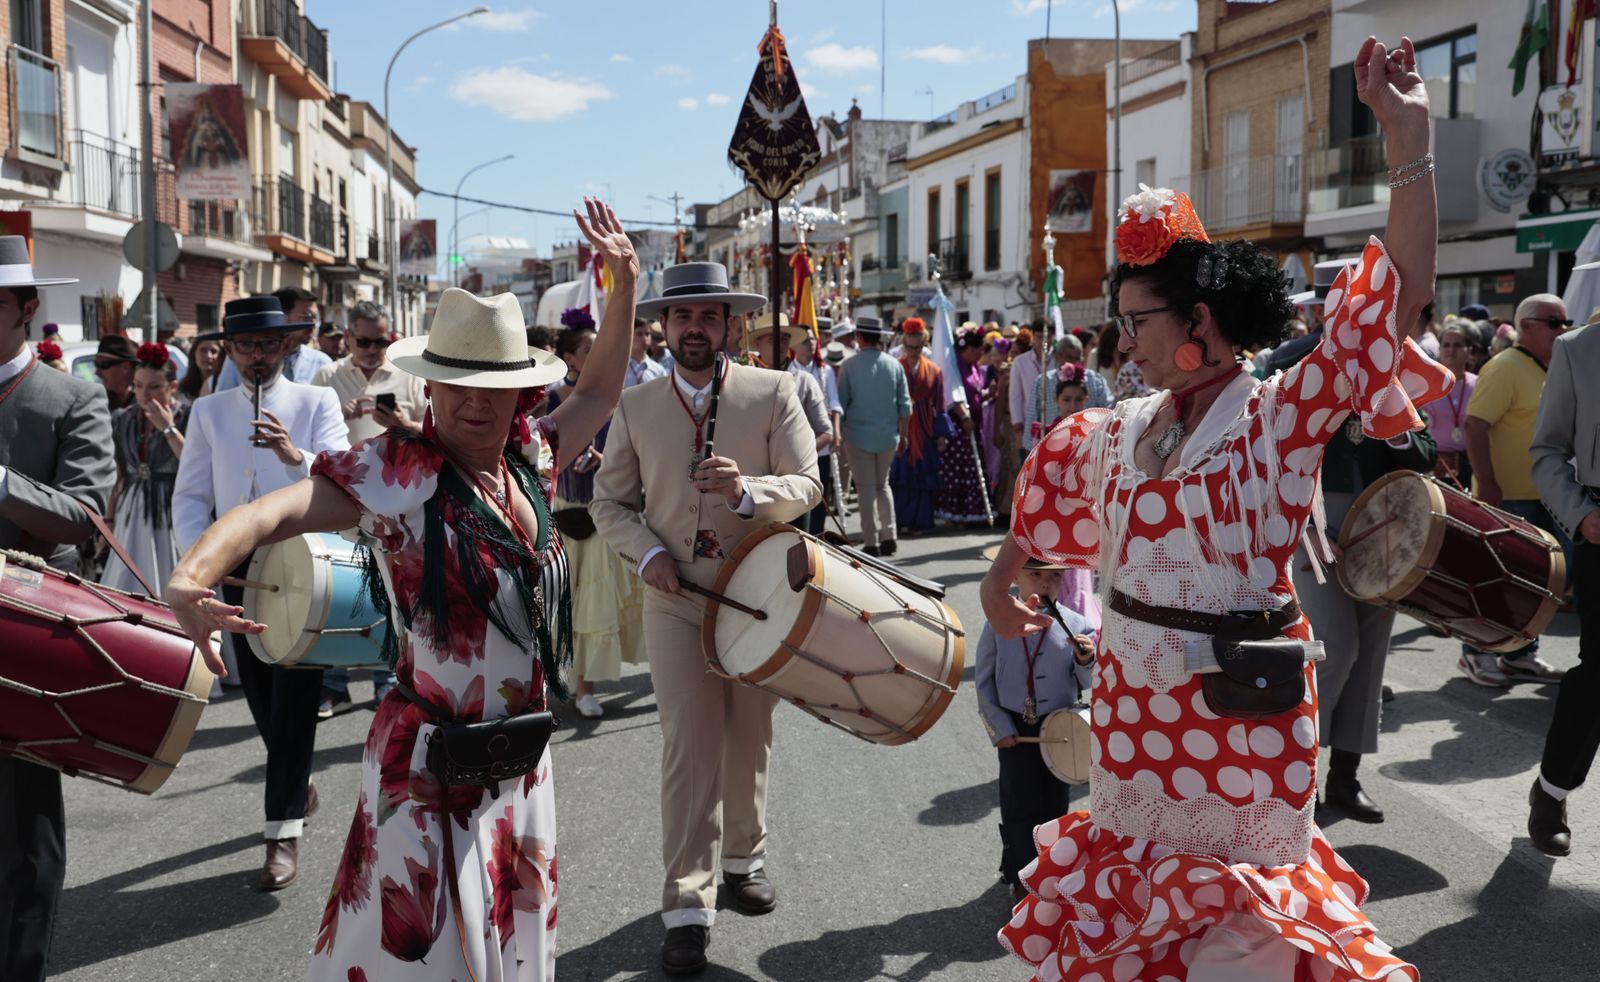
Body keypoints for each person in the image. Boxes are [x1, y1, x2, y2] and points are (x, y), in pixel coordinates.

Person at [980, 36, 1440, 981]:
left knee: (1239, 942)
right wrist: (999, 578)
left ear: (1198, 322)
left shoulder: (1276, 418)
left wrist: (1409, 143)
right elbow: (1047, 503)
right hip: (1131, 715)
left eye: (1138, 322)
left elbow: (1391, 310)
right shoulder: (1117, 427)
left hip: (1239, 716)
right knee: (1138, 929)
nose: (1123, 345)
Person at [166, 198, 636, 980]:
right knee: (416, 956)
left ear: (522, 392)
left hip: (518, 763)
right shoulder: (397, 471)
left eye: (492, 385)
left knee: (506, 948)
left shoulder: (532, 459)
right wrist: (190, 577)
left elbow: (599, 395)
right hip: (427, 765)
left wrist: (623, 286)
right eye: (454, 383)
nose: (472, 402)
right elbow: (266, 513)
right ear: (429, 385)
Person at [590, 260, 820, 976]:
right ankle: (687, 903)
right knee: (690, 746)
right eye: (682, 316)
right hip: (674, 599)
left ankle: (745, 859)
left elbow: (809, 484)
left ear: (731, 324)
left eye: (708, 316)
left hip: (759, 596)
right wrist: (646, 552)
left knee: (750, 732)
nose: (694, 328)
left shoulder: (773, 391)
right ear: (662, 326)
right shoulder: (635, 406)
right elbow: (609, 505)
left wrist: (750, 491)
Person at [171, 295, 351, 891]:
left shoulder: (315, 399)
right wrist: (199, 561)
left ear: (287, 346)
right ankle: (295, 787)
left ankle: (282, 835)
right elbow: (191, 494)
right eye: (244, 346)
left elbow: (345, 470)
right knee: (259, 692)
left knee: (296, 697)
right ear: (229, 349)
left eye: (266, 345)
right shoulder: (209, 410)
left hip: (303, 558)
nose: (255, 356)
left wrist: (294, 455)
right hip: (235, 565)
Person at [0, 237, 114, 982]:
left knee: (21, 832)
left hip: (22, 639)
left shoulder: (72, 394)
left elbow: (85, 514)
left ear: (27, 309)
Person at [1286, 344, 1438, 823]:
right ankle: (1298, 778)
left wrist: (1398, 425)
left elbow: (1425, 454)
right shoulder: (1306, 373)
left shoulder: (1398, 382)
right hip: (1317, 527)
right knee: (1333, 647)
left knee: (1370, 654)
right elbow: (1280, 459)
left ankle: (1345, 779)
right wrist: (1304, 525)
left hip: (1385, 529)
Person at [310, 300, 425, 715]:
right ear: (348, 338)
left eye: (381, 340)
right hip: (339, 492)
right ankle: (334, 682)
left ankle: (386, 678)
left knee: (389, 588)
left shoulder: (409, 375)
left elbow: (428, 433)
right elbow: (314, 436)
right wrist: (337, 415)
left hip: (394, 495)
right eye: (365, 341)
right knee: (334, 588)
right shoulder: (327, 377)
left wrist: (402, 425)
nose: (374, 349)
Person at [1458, 292, 1572, 687]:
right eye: (1555, 323)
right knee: (1498, 579)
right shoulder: (1505, 366)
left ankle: (1521, 655)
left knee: (1538, 584)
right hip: (1508, 497)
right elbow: (1475, 425)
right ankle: (1475, 654)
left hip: (1547, 496)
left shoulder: (1549, 366)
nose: (1564, 330)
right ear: (1525, 327)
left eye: (1565, 322)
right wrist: (1487, 483)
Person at [974, 550, 1095, 903]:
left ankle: (1051, 873)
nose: (1045, 584)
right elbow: (983, 681)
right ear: (1014, 578)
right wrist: (998, 727)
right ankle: (1018, 875)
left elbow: (1087, 680)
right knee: (1018, 802)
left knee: (1054, 806)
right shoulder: (998, 622)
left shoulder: (1076, 623)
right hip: (1015, 728)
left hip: (1060, 730)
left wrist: (1085, 657)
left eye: (1055, 577)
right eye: (1035, 575)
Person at [545, 324, 645, 720]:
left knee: (592, 605)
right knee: (559, 605)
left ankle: (585, 686)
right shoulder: (548, 401)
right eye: (589, 349)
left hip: (603, 513)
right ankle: (549, 680)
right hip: (563, 513)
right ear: (569, 358)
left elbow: (630, 455)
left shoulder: (615, 401)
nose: (596, 355)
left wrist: (605, 463)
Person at [1528, 311, 1600, 857]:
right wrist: (1580, 515)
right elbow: (1547, 452)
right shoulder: (1576, 350)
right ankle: (1551, 791)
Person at [103, 342, 188, 596]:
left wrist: (168, 428)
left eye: (154, 387)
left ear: (172, 387)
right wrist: (108, 519)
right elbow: (119, 474)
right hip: (131, 509)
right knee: (125, 579)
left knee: (167, 578)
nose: (144, 394)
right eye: (138, 386)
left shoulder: (188, 416)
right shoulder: (123, 418)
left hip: (172, 508)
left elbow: (192, 464)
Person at [751, 314, 835, 536]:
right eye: (772, 340)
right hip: (754, 486)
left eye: (785, 340)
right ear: (758, 343)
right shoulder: (746, 380)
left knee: (797, 545)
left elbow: (826, 432)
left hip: (792, 483)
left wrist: (797, 455)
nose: (780, 346)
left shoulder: (804, 381)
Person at [840, 315, 912, 556]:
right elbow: (905, 405)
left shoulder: (848, 366)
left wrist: (839, 433)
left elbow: (841, 403)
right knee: (882, 485)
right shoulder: (894, 365)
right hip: (887, 436)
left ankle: (871, 541)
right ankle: (889, 535)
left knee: (865, 488)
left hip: (857, 435)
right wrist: (904, 434)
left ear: (859, 337)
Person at [887, 317, 950, 542]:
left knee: (922, 476)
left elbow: (940, 403)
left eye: (918, 347)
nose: (914, 352)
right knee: (900, 475)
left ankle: (920, 521)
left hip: (924, 428)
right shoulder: (895, 367)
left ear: (924, 345)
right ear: (904, 344)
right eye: (910, 347)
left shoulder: (934, 370)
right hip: (901, 426)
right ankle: (901, 521)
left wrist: (942, 434)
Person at [214, 285, 333, 390]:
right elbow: (223, 401)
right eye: (306, 316)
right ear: (283, 317)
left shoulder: (322, 363)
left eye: (316, 318)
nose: (313, 325)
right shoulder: (241, 359)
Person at [936, 328, 989, 525]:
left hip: (974, 426)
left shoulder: (973, 367)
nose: (979, 355)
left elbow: (975, 393)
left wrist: (987, 394)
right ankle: (954, 513)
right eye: (976, 350)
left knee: (972, 472)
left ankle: (971, 512)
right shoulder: (955, 368)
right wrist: (964, 417)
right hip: (959, 427)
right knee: (958, 472)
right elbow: (953, 394)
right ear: (965, 350)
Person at [1421, 320, 1476, 487]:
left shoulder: (1479, 384)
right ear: (1439, 350)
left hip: (1470, 465)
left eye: (1458, 345)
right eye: (1446, 345)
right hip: (1434, 465)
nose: (1451, 349)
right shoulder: (1425, 385)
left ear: (1469, 351)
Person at [94, 335, 140, 412]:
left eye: (103, 365)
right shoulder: (97, 401)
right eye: (96, 364)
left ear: (125, 367)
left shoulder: (146, 401)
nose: (97, 372)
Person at [178, 335, 223, 407]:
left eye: (214, 351)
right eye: (203, 350)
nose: (208, 356)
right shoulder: (182, 388)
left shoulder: (224, 386)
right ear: (194, 354)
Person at [626, 316, 670, 388]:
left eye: (647, 334)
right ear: (630, 335)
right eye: (639, 334)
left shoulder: (658, 370)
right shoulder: (620, 369)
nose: (645, 338)